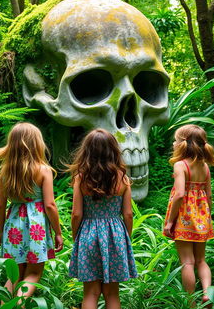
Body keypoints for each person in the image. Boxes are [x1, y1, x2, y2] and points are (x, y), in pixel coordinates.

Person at [0, 122, 63, 301]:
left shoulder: (5, 172)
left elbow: (1, 205)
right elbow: (50, 205)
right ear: (37, 144)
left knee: (14, 275)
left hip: (14, 226)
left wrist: (2, 231)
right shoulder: (43, 170)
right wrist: (58, 232)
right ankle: (20, 304)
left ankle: (5, 304)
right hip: (36, 228)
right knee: (33, 273)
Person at [68, 128, 137, 309]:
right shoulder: (123, 178)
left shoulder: (81, 178)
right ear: (113, 150)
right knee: (112, 294)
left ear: (86, 151)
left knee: (90, 292)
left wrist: (76, 237)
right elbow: (128, 214)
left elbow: (76, 214)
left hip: (88, 236)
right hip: (115, 237)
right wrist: (125, 237)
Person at [163, 124, 214, 308]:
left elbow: (180, 194)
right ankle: (207, 293)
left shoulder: (181, 165)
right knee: (201, 260)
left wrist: (170, 221)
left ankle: (191, 302)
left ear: (183, 144)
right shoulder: (204, 167)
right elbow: (209, 195)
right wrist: (207, 216)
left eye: (175, 140)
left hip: (184, 218)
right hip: (202, 218)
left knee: (187, 262)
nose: (173, 143)